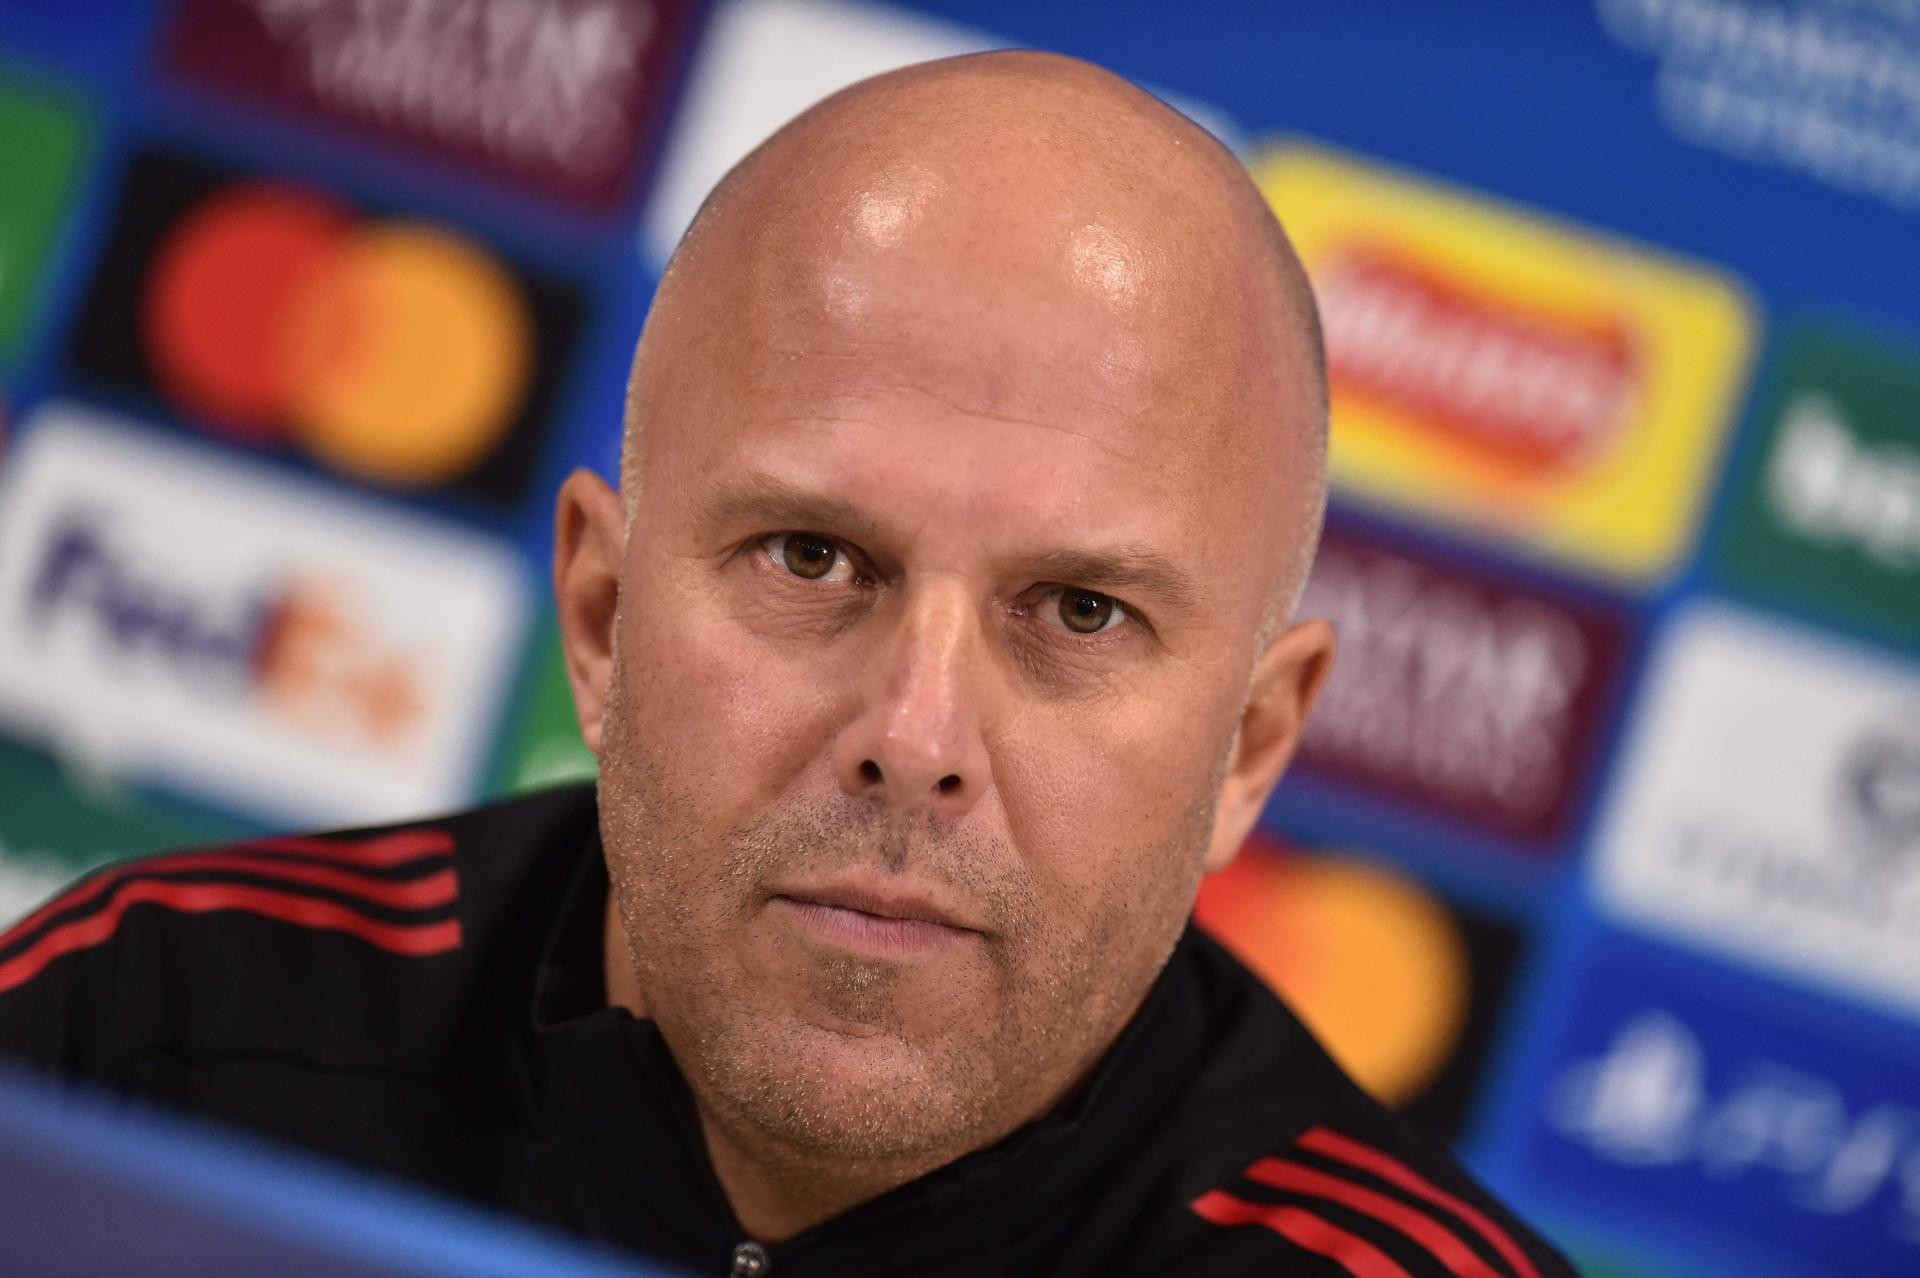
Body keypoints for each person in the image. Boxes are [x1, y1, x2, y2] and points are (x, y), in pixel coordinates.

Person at [0, 51, 1573, 1278]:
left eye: (1082, 611)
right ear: (603, 617)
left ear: (1249, 745)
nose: (916, 733)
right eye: (812, 557)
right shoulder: (126, 1046)